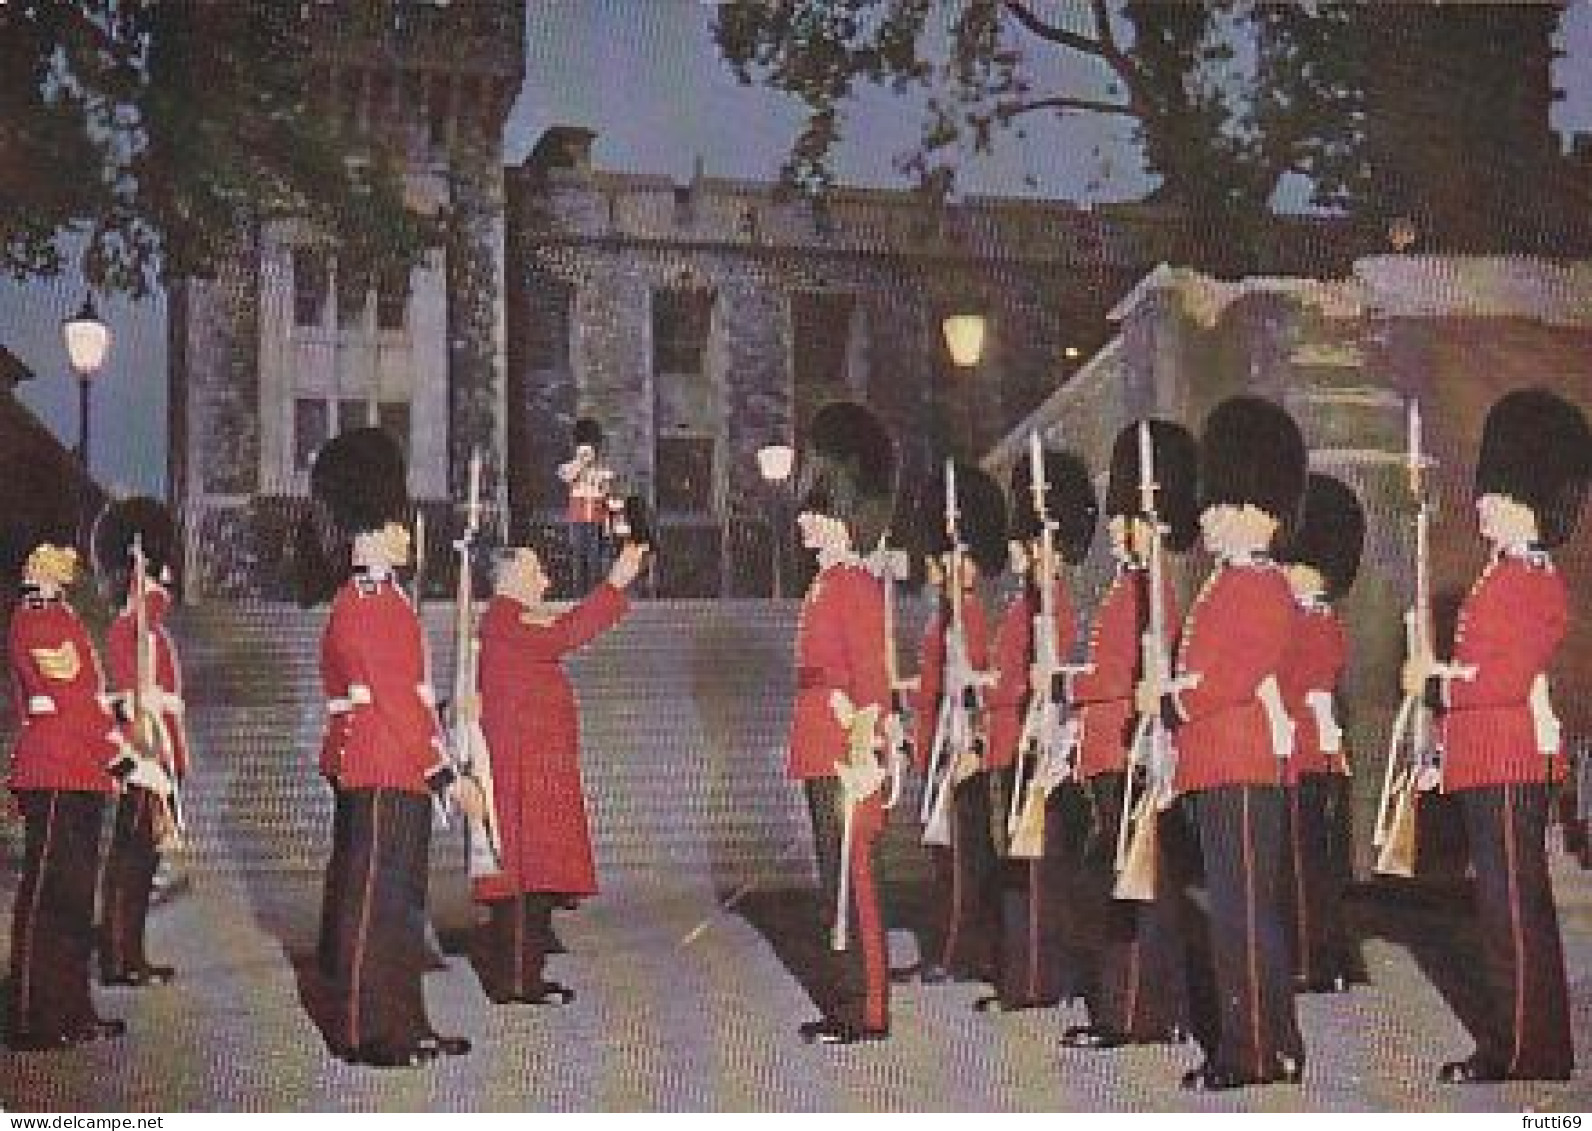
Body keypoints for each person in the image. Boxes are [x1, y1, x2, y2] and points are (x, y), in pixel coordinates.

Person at [1403, 389, 1588, 1083]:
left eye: (1496, 495)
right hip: (1488, 756)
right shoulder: (1502, 575)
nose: (1481, 504)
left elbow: (1501, 681)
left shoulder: (1532, 582)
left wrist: (1437, 681)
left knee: (1512, 909)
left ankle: (1525, 1047)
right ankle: (1524, 1042)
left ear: (1531, 503)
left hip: (1511, 758)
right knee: (1500, 904)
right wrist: (1440, 745)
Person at [1143, 396, 1308, 1091]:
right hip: (1213, 763)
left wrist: (1169, 695)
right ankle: (1271, 1041)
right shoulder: (1226, 582)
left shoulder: (1261, 585)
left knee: (1242, 915)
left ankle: (1257, 1050)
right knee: (1233, 913)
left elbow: (1232, 677)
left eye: (1215, 505)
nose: (1202, 516)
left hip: (1241, 764)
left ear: (1254, 510)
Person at [310, 428, 471, 1068]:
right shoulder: (368, 602)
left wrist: (447, 718)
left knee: (402, 904)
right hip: (383, 762)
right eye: (400, 524)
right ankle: (365, 1029)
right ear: (373, 529)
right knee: (375, 902)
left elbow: (409, 693)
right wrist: (444, 775)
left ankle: (404, 1020)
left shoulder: (388, 600)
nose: (409, 534)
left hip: (395, 759)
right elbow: (393, 699)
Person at [1062, 420, 1198, 1050]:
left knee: (1136, 889)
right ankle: (1140, 1007)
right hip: (1104, 749)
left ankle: (1137, 1011)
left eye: (1126, 518)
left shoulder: (1153, 588)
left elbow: (1139, 673)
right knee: (1125, 887)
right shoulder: (1129, 587)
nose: (1115, 530)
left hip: (1125, 751)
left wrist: (1077, 689)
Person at [470, 538, 648, 1005]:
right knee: (522, 879)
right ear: (509, 576)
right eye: (536, 572)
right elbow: (564, 634)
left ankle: (523, 974)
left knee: (532, 877)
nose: (545, 581)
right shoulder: (507, 618)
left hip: (535, 767)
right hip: (522, 771)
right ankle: (516, 980)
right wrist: (614, 585)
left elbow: (560, 625)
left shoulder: (507, 619)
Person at [788, 400, 898, 1045]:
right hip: (820, 746)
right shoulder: (828, 583)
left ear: (839, 514)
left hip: (846, 752)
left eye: (814, 508)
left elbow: (873, 684)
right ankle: (845, 1000)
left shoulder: (854, 585)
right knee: (837, 882)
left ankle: (868, 1008)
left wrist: (867, 755)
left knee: (856, 884)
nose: (802, 520)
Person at [977, 447, 1094, 1012]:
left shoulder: (1054, 606)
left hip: (1038, 742)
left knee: (1041, 872)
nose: (1019, 552)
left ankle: (1041, 979)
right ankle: (1029, 975)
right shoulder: (1026, 607)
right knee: (1024, 869)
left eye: (1029, 542)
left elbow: (1049, 678)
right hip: (1012, 741)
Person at [5, 541, 127, 1050]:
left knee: (75, 901)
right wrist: (117, 752)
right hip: (55, 767)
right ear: (34, 563)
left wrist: (117, 723)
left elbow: (86, 698)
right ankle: (33, 1013)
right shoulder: (36, 619)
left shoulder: (65, 616)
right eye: (58, 553)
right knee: (48, 898)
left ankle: (71, 1009)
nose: (71, 561)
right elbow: (66, 700)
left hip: (79, 769)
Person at [910, 462, 1005, 985]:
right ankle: (951, 944)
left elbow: (980, 685)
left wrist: (978, 742)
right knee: (946, 856)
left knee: (966, 858)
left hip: (962, 746)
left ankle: (961, 950)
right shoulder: (946, 616)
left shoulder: (971, 615)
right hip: (942, 744)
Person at [1275, 474, 1364, 995]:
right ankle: (1317, 955)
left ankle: (1312, 959)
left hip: (1302, 754)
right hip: (1303, 752)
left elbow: (1312, 689)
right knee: (1305, 864)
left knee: (1304, 865)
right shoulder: (1309, 617)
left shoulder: (1312, 621)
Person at [95, 497, 188, 987]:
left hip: (161, 751)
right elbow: (128, 696)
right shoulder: (126, 631)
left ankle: (129, 950)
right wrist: (146, 748)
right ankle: (117, 955)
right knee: (130, 862)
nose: (164, 588)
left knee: (141, 862)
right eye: (156, 578)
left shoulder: (152, 633)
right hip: (141, 753)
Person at [557, 417, 616, 596]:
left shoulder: (603, 471)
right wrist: (580, 463)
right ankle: (578, 595)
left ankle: (594, 595)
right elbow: (567, 476)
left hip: (596, 520)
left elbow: (607, 495)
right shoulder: (569, 467)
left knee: (595, 561)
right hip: (578, 519)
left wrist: (608, 525)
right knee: (578, 558)